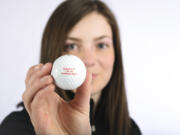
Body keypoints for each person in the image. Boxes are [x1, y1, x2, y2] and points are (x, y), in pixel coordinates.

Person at [0, 0, 142, 135]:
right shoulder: (15, 128)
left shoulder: (129, 129)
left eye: (101, 45)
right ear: (52, 51)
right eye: (71, 46)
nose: (89, 60)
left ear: (115, 52)